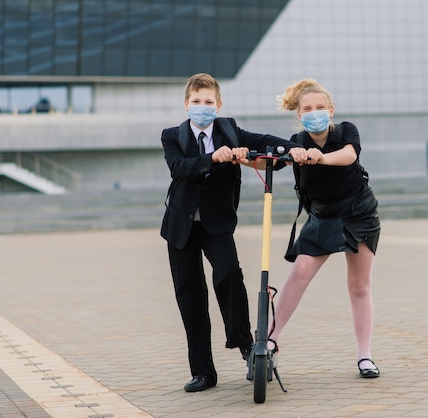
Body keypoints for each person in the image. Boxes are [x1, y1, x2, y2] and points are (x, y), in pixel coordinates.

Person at [160, 73, 306, 393]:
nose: (202, 107)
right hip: (181, 227)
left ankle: (244, 344)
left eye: (208, 102)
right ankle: (203, 372)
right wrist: (212, 157)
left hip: (216, 224)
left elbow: (262, 140)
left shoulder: (228, 129)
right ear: (186, 104)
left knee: (229, 275)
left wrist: (292, 149)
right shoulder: (172, 135)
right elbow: (178, 167)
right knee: (191, 297)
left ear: (219, 104)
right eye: (196, 102)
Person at [268, 78, 381, 378]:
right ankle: (269, 342)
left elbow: (350, 155)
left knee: (359, 285)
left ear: (330, 111)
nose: (314, 112)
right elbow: (271, 162)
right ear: (299, 114)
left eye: (320, 107)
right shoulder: (297, 143)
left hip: (358, 213)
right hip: (322, 216)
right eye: (307, 108)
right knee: (300, 273)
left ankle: (365, 356)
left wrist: (321, 158)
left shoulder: (346, 131)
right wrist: (242, 159)